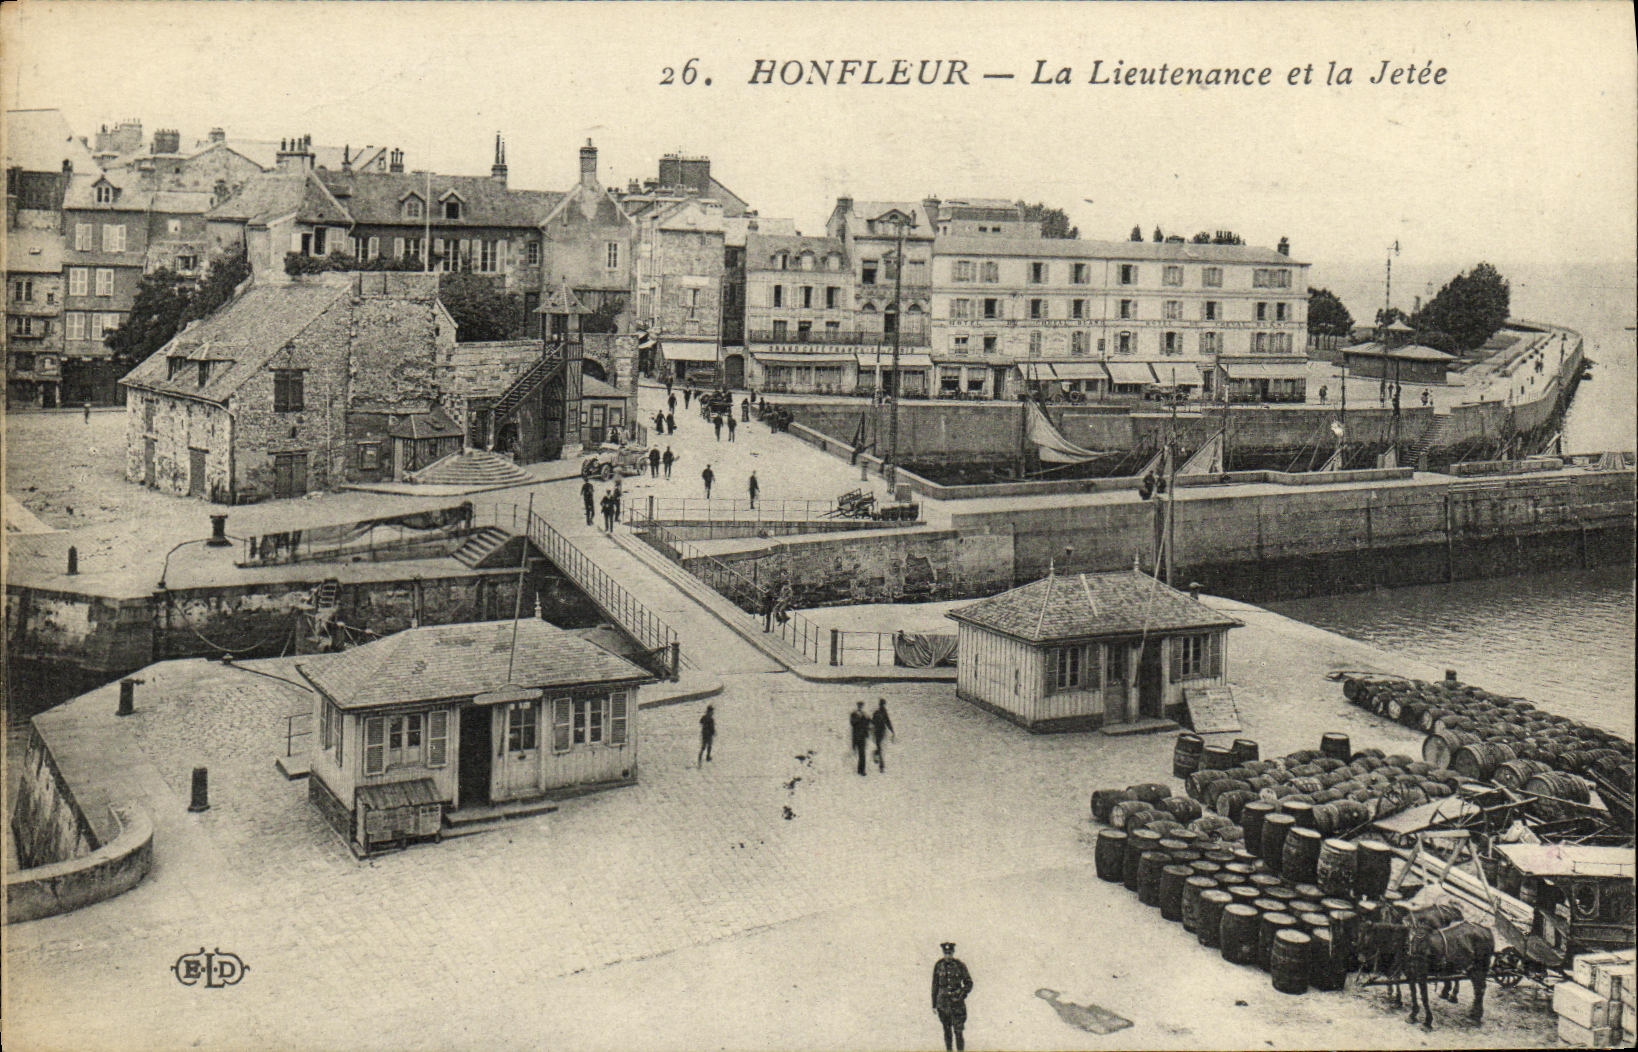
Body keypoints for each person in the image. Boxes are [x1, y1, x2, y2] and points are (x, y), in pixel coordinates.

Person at [932, 942, 974, 1052]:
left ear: (953, 953)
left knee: (958, 1031)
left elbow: (969, 983)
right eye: (946, 953)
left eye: (950, 953)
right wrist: (934, 1004)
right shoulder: (938, 965)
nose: (948, 956)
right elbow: (935, 985)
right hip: (943, 1004)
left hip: (957, 1004)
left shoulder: (960, 965)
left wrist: (962, 994)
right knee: (947, 1031)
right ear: (943, 953)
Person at [871, 698, 895, 772]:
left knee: (880, 748)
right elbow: (873, 722)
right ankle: (881, 765)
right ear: (880, 705)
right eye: (881, 704)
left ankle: (877, 756)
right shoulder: (877, 712)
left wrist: (892, 730)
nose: (882, 706)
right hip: (877, 732)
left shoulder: (884, 713)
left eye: (883, 704)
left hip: (882, 732)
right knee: (880, 747)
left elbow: (888, 722)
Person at [849, 701, 871, 776]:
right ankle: (859, 769)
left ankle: (861, 770)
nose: (860, 707)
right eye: (859, 706)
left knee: (862, 754)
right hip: (856, 736)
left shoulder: (865, 715)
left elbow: (868, 724)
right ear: (858, 706)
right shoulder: (854, 714)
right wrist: (860, 719)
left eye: (861, 706)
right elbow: (852, 723)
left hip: (862, 737)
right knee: (858, 753)